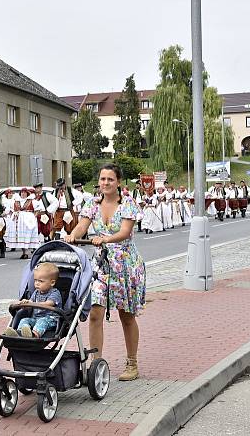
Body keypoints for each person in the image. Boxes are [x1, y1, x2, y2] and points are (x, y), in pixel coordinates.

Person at [65, 163, 146, 381]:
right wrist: (73, 235)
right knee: (95, 313)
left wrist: (105, 239)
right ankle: (95, 365)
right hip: (101, 265)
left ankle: (132, 363)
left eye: (110, 179)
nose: (105, 183)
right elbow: (82, 225)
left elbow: (125, 231)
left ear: (118, 182)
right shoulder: (93, 203)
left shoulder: (128, 203)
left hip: (125, 265)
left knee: (126, 315)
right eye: (102, 179)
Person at [2, 262, 62, 338]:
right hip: (35, 318)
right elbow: (31, 302)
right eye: (35, 280)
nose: (37, 283)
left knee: (42, 321)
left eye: (41, 281)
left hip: (50, 320)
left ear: (52, 283)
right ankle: (20, 333)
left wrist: (35, 304)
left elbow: (49, 304)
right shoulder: (36, 292)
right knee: (25, 320)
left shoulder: (54, 293)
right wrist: (26, 303)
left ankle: (34, 335)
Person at [5, 188, 42, 259]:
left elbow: (37, 210)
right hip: (18, 222)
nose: (23, 194)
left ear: (27, 194)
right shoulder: (15, 201)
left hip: (28, 221)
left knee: (27, 236)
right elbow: (10, 210)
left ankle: (26, 252)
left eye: (25, 192)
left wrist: (33, 217)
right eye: (22, 192)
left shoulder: (32, 201)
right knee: (20, 237)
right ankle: (24, 252)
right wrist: (13, 214)